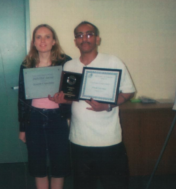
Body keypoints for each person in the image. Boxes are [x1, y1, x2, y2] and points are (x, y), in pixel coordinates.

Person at [50, 21, 136, 189]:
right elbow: (73, 98)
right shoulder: (69, 65)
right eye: (79, 35)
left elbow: (128, 92)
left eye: (89, 34)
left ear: (97, 39)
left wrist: (108, 106)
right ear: (75, 41)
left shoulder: (113, 62)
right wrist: (62, 100)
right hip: (79, 140)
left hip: (109, 141)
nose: (84, 39)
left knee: (115, 185)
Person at [18, 24, 72, 189]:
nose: (43, 41)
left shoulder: (66, 62)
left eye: (47, 36)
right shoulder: (27, 64)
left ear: (54, 41)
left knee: (59, 163)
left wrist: (68, 114)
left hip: (59, 118)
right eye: (38, 37)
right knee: (37, 163)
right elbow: (21, 98)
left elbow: (73, 93)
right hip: (34, 118)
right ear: (33, 42)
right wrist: (22, 127)